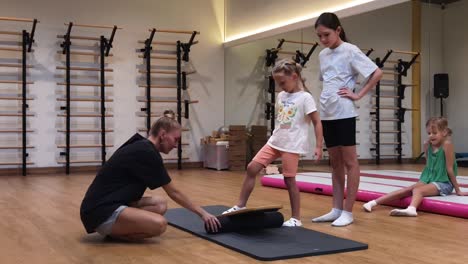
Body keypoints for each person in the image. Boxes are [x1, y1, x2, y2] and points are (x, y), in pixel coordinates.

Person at [80, 110, 220, 241]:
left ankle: (119, 227)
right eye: (175, 139)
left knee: (160, 204)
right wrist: (203, 214)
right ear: (163, 135)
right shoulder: (147, 152)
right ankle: (115, 233)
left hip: (107, 204)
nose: (176, 145)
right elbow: (174, 192)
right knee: (160, 224)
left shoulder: (141, 144)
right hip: (100, 212)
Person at [223, 58, 323, 227]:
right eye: (277, 83)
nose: (280, 87)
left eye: (282, 82)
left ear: (294, 76)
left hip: (291, 145)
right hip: (275, 141)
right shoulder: (281, 95)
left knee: (289, 180)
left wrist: (319, 146)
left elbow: (317, 122)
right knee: (251, 168)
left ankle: (296, 218)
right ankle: (240, 205)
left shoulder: (306, 98)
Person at [312, 12, 383, 227]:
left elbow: (376, 73)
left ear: (338, 30)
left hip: (344, 112)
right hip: (327, 112)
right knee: (335, 163)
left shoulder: (350, 51)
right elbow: (328, 82)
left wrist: (358, 94)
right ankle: (336, 208)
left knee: (350, 162)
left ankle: (348, 211)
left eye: (326, 34)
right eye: (320, 36)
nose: (323, 40)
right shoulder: (322, 55)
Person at [363, 117, 468, 216]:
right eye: (429, 133)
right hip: (430, 179)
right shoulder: (428, 145)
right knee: (407, 190)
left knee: (417, 191)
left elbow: (450, 169)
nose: (431, 135)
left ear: (444, 132)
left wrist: (457, 190)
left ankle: (412, 209)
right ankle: (373, 203)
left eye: (435, 133)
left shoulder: (447, 145)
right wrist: (423, 181)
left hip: (444, 183)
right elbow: (429, 165)